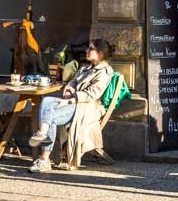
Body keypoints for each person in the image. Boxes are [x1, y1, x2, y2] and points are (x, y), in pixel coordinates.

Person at [27, 38, 114, 173]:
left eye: (90, 49)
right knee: (47, 100)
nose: (87, 51)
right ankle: (43, 133)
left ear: (100, 54)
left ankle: (44, 159)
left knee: (50, 117)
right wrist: (68, 91)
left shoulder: (105, 72)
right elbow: (72, 83)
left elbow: (92, 94)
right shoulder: (86, 68)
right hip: (74, 103)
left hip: (86, 108)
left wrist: (69, 100)